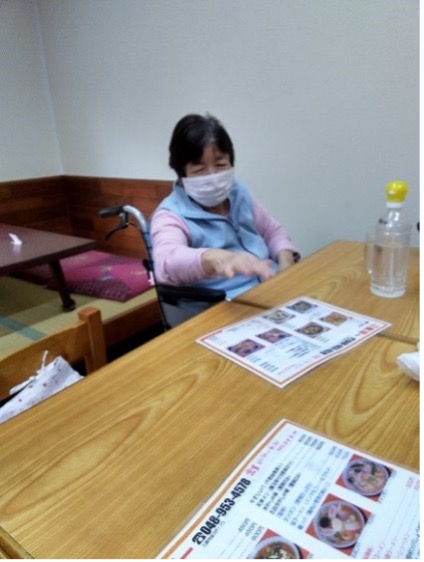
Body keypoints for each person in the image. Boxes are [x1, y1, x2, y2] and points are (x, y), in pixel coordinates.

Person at [150, 113, 300, 299]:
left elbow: (273, 231)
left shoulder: (238, 191)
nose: (212, 176)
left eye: (220, 164)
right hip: (229, 304)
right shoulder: (169, 215)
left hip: (272, 288)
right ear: (182, 176)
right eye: (199, 169)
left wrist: (286, 266)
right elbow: (166, 264)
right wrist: (220, 259)